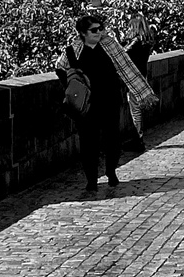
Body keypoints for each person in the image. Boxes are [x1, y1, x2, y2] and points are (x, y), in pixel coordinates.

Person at [55, 12, 156, 194]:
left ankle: (111, 171)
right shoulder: (72, 50)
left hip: (109, 99)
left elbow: (127, 68)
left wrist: (142, 92)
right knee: (88, 142)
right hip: (86, 105)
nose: (99, 32)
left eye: (101, 28)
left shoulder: (110, 45)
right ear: (83, 33)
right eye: (94, 30)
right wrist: (73, 88)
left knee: (113, 139)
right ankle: (91, 179)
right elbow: (60, 68)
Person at [121, 11, 154, 153]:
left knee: (135, 110)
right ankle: (137, 139)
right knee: (137, 109)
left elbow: (122, 53)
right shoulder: (147, 39)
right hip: (142, 75)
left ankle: (138, 140)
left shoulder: (136, 41)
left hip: (134, 78)